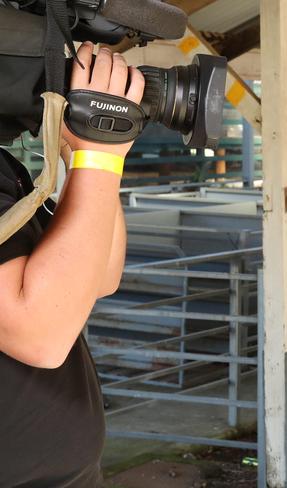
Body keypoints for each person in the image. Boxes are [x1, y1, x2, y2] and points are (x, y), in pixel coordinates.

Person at [0, 42, 144, 487]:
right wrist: (101, 152)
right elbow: (40, 333)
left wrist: (85, 154)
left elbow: (100, 275)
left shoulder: (5, 167)